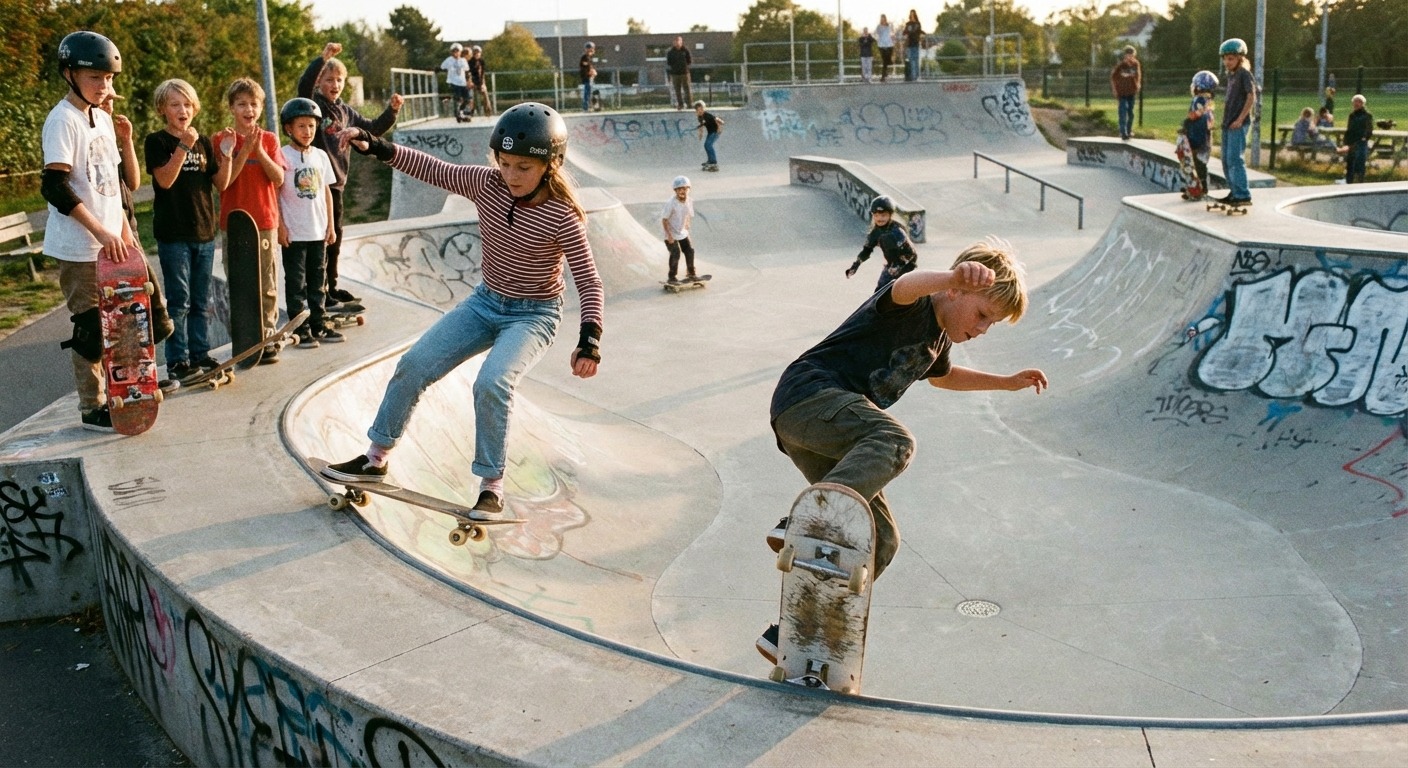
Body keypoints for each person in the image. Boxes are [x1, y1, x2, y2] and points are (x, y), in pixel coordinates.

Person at [755, 238, 1048, 662]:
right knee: (894, 441)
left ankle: (795, 629)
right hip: (809, 396)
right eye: (982, 314)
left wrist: (1005, 381)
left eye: (992, 325)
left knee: (882, 539)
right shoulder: (915, 305)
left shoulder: (939, 345)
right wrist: (951, 275)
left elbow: (945, 378)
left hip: (825, 435)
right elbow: (904, 285)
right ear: (954, 291)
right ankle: (805, 525)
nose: (982, 329)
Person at [320, 103, 605, 518]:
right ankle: (375, 459)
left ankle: (492, 486)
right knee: (413, 364)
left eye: (523, 168)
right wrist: (378, 146)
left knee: (491, 383)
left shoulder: (563, 216)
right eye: (504, 164)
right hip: (484, 302)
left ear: (551, 164)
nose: (511, 176)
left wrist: (590, 340)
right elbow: (433, 168)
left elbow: (589, 280)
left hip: (534, 315)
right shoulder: (486, 183)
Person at [43, 31, 172, 431]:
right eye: (95, 78)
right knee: (91, 330)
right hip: (80, 247)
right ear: (69, 74)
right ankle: (92, 405)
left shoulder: (100, 118)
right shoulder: (62, 120)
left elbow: (115, 183)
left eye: (109, 78)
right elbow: (55, 186)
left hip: (114, 242)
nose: (105, 86)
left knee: (136, 320)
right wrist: (101, 231)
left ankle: (127, 388)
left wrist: (123, 230)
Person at [298, 42, 402, 312]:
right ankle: (317, 291)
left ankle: (331, 286)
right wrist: (323, 58)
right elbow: (304, 86)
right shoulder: (314, 106)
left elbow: (373, 129)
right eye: (329, 79)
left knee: (336, 237)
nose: (334, 85)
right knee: (320, 238)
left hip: (338, 183)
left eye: (339, 80)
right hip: (316, 184)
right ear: (321, 81)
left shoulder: (346, 112)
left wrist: (392, 111)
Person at [146, 78, 221, 382]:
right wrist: (183, 147)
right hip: (174, 234)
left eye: (188, 104)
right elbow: (164, 180)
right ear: (163, 109)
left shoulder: (202, 141)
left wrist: (228, 153)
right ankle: (177, 360)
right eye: (175, 104)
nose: (183, 110)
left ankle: (200, 353)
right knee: (180, 301)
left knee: (202, 302)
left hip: (204, 232)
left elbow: (221, 182)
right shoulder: (157, 141)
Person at [213, 77, 286, 362]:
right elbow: (223, 183)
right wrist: (242, 151)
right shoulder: (222, 140)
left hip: (264, 221)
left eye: (253, 104)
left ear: (260, 107)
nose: (248, 109)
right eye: (242, 104)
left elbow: (278, 178)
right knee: (240, 283)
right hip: (235, 223)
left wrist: (259, 152)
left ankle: (267, 337)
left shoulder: (269, 139)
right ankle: (245, 338)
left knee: (266, 283)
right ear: (232, 107)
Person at [275, 97, 340, 348]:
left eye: (311, 126)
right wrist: (281, 226)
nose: (307, 131)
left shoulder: (321, 156)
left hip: (318, 230)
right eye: (301, 126)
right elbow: (276, 194)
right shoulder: (282, 155)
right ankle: (299, 327)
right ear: (289, 128)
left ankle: (319, 323)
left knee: (318, 280)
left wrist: (331, 225)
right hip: (294, 232)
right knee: (296, 283)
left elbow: (326, 193)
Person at [1216, 38, 1257, 207]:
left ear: (1240, 58)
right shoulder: (1231, 76)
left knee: (1235, 159)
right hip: (1228, 123)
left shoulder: (1244, 74)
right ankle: (1234, 191)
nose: (1227, 62)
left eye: (1231, 58)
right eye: (1225, 58)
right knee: (1225, 160)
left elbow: (1251, 96)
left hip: (1238, 123)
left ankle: (1243, 195)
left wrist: (1240, 119)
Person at [845, 196, 917, 291]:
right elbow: (866, 250)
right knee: (879, 291)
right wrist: (855, 265)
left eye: (883, 215)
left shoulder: (897, 231)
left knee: (896, 290)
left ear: (890, 215)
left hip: (906, 266)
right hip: (891, 266)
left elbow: (911, 254)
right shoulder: (875, 232)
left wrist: (899, 267)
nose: (879, 219)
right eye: (876, 215)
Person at [661, 175, 698, 284]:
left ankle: (691, 273)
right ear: (675, 191)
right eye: (680, 189)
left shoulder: (689, 201)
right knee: (675, 253)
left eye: (685, 189)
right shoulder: (671, 203)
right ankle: (672, 277)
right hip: (670, 233)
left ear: (689, 189)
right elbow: (664, 220)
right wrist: (669, 236)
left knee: (689, 251)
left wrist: (687, 230)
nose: (682, 192)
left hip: (682, 232)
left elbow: (688, 215)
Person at [1338, 94, 1374, 184]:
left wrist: (1364, 138)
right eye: (1355, 102)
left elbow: (1369, 130)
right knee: (1350, 163)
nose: (1356, 104)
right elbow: (1349, 129)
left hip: (1360, 143)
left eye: (1359, 102)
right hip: (1351, 142)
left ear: (1362, 104)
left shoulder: (1367, 115)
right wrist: (1346, 142)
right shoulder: (1352, 115)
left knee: (1360, 163)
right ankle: (1349, 182)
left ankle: (1360, 182)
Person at [1110, 45, 1142, 140]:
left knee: (1131, 112)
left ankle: (1129, 130)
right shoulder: (1121, 66)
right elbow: (1113, 77)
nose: (1130, 58)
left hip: (1131, 91)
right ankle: (1123, 132)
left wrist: (1138, 84)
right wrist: (1114, 89)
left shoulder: (1136, 64)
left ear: (1134, 56)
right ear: (1125, 56)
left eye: (1131, 56)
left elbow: (1138, 75)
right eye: (1128, 56)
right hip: (1122, 92)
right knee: (1123, 111)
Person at [441, 43, 471, 121]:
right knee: (457, 98)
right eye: (454, 51)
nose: (456, 53)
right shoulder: (449, 60)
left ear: (460, 52)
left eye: (457, 51)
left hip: (462, 83)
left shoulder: (463, 60)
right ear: (452, 52)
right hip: (453, 82)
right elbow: (442, 67)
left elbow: (467, 71)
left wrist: (468, 81)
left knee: (467, 99)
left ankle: (460, 111)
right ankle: (457, 114)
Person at [695, 100, 724, 172]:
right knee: (706, 145)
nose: (701, 111)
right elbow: (701, 126)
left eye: (702, 109)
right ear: (696, 111)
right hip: (710, 132)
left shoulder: (707, 115)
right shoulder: (700, 117)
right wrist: (700, 134)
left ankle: (713, 162)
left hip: (715, 132)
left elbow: (716, 120)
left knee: (708, 145)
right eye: (699, 110)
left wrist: (719, 128)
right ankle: (710, 160)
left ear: (704, 109)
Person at [666, 36, 693, 110]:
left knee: (687, 89)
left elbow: (689, 61)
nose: (677, 42)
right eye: (675, 41)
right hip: (675, 74)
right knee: (677, 90)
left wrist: (683, 66)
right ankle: (680, 105)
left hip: (684, 73)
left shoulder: (685, 50)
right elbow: (669, 62)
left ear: (681, 42)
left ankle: (689, 104)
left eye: (678, 41)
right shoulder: (670, 52)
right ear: (673, 42)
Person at [468, 45, 493, 117]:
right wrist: (471, 82)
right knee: (472, 97)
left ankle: (488, 112)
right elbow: (469, 72)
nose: (476, 54)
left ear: (480, 53)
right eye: (475, 53)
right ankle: (472, 112)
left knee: (485, 96)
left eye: (478, 53)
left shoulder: (482, 61)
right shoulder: (470, 61)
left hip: (480, 81)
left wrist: (482, 83)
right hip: (473, 81)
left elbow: (482, 73)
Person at [902, 10, 925, 82]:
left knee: (916, 60)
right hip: (910, 44)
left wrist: (925, 34)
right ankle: (913, 76)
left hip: (916, 44)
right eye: (911, 14)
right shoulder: (908, 24)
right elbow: (905, 32)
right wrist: (905, 33)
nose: (912, 16)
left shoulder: (918, 23)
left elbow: (919, 31)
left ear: (915, 15)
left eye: (913, 14)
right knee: (911, 60)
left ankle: (917, 76)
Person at [875, 14, 895, 83]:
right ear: (881, 19)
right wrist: (877, 39)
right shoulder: (879, 26)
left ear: (885, 19)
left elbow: (892, 33)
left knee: (888, 60)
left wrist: (893, 37)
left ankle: (885, 72)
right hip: (881, 45)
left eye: (884, 18)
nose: (883, 20)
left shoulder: (889, 26)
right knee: (884, 61)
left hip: (889, 44)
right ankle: (883, 76)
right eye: (881, 19)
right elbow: (876, 34)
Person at [578, 42, 596, 113]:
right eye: (591, 49)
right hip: (586, 77)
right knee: (587, 93)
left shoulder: (589, 58)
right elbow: (585, 67)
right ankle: (586, 108)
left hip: (589, 77)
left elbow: (589, 66)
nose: (592, 51)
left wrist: (593, 71)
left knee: (589, 93)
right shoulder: (584, 57)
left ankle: (588, 107)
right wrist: (591, 71)